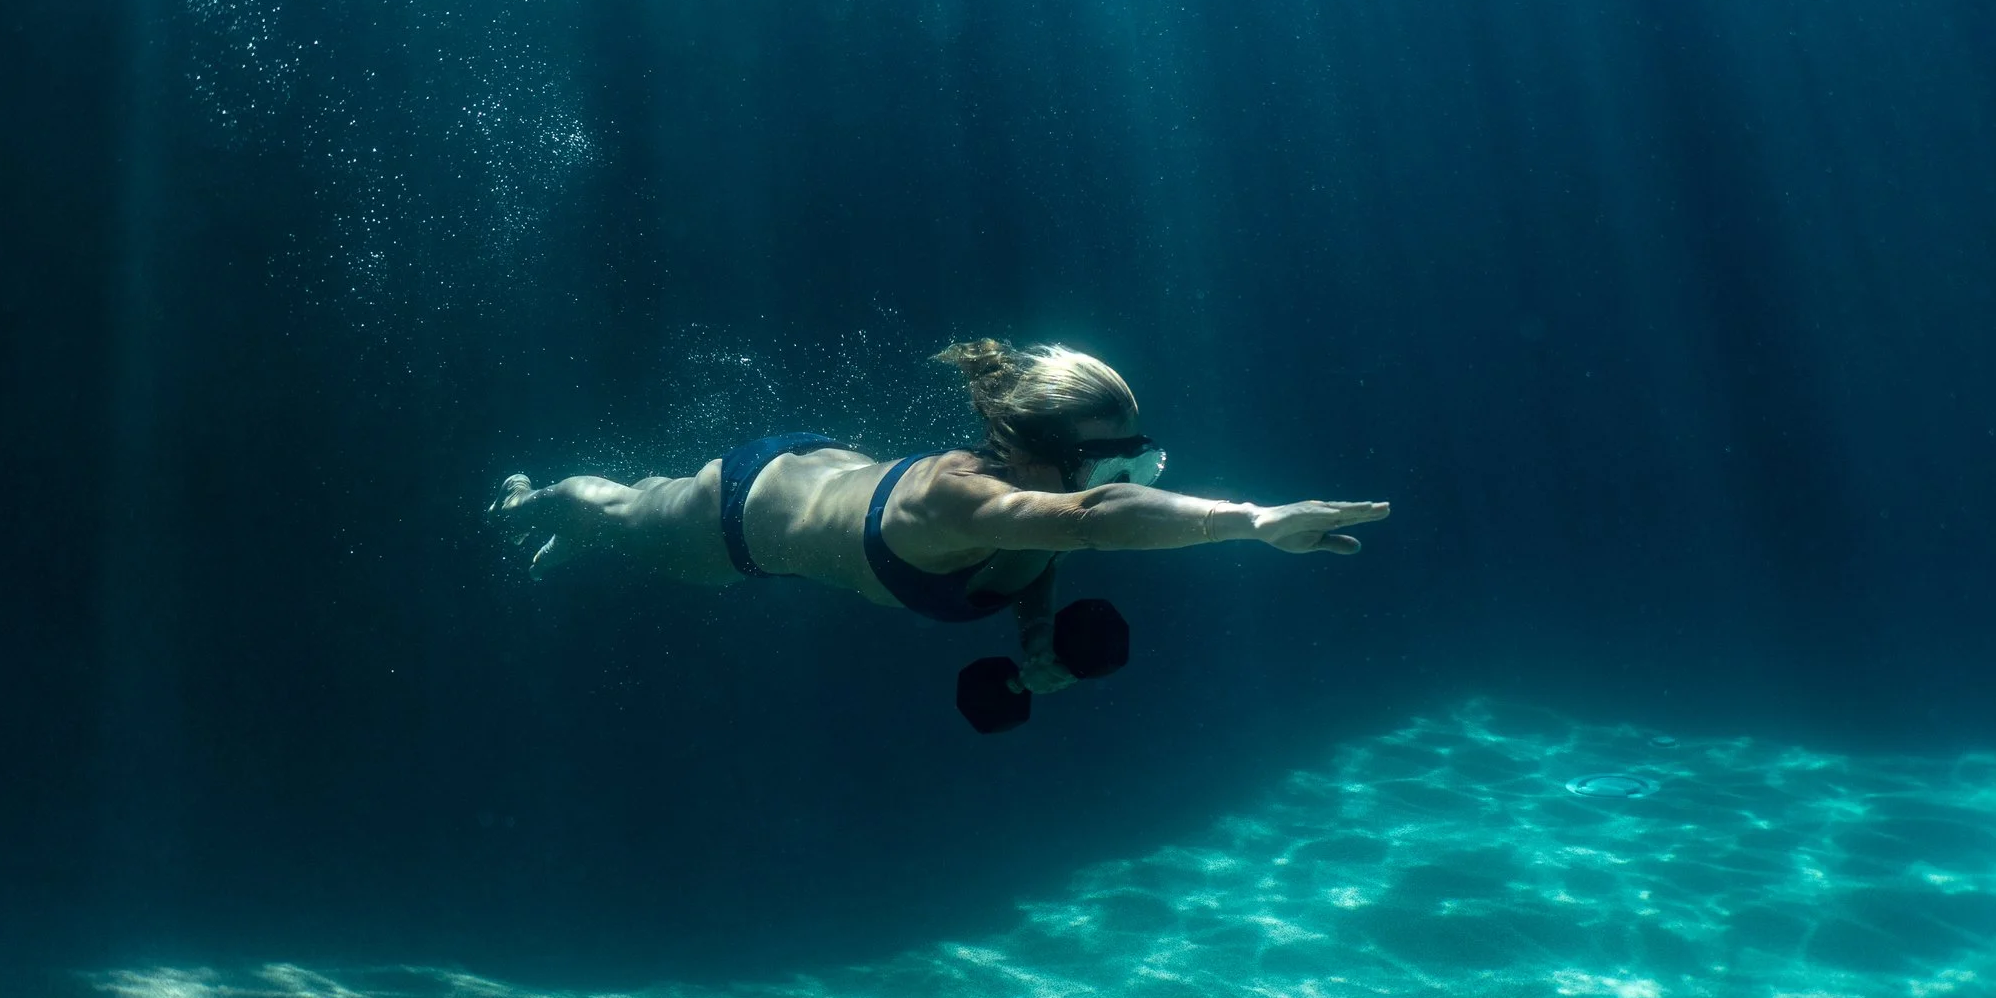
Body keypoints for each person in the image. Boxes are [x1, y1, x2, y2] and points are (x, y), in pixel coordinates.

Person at [490, 340, 1389, 693]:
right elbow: (1084, 522)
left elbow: (1047, 542)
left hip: (828, 470)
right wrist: (1256, 520)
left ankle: (584, 517)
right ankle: (530, 503)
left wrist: (1038, 635)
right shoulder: (962, 494)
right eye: (1109, 458)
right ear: (1033, 451)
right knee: (623, 510)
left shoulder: (1029, 504)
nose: (1128, 472)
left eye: (1138, 450)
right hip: (743, 514)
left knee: (643, 506)